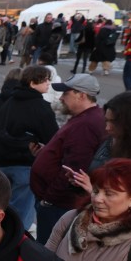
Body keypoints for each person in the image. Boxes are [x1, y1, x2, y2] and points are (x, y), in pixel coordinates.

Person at [0, 65, 59, 231]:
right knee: (20, 214)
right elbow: (53, 139)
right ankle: (12, 244)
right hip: (25, 164)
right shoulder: (41, 107)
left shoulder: (9, 102)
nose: (49, 83)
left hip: (1, 162)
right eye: (45, 79)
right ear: (32, 82)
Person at [29, 74, 106, 244]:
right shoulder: (83, 119)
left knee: (48, 250)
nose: (62, 97)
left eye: (66, 93)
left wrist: (49, 200)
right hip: (56, 202)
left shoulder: (86, 124)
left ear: (81, 95)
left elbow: (74, 168)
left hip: (58, 204)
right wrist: (45, 153)